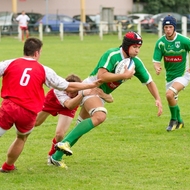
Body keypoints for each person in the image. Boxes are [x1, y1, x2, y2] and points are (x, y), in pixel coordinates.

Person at [0, 37, 102, 182]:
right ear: (36, 53)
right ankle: (8, 166)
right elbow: (68, 86)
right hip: (28, 113)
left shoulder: (9, 63)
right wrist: (89, 85)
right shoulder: (44, 70)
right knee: (21, 138)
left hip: (9, 108)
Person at [49, 31, 163, 169]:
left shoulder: (135, 63)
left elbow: (149, 82)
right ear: (126, 46)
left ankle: (55, 157)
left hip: (100, 95)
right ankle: (63, 143)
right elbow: (101, 76)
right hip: (91, 88)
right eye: (135, 47)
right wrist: (123, 75)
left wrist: (157, 99)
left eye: (139, 47)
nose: (137, 50)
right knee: (100, 115)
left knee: (81, 128)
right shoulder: (112, 55)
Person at [34, 74, 113, 162]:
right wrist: (82, 94)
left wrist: (102, 94)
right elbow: (69, 105)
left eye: (74, 92)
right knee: (35, 123)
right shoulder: (59, 89)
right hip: (53, 102)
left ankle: (52, 155)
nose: (71, 94)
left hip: (69, 106)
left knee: (60, 134)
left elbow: (111, 99)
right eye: (69, 91)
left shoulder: (83, 87)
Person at [152, 15, 190, 132]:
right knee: (172, 99)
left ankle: (173, 120)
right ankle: (180, 121)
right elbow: (156, 61)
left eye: (170, 27)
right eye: (166, 27)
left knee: (169, 95)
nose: (168, 29)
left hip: (184, 75)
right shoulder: (161, 43)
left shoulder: (183, 40)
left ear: (174, 28)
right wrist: (157, 67)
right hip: (169, 77)